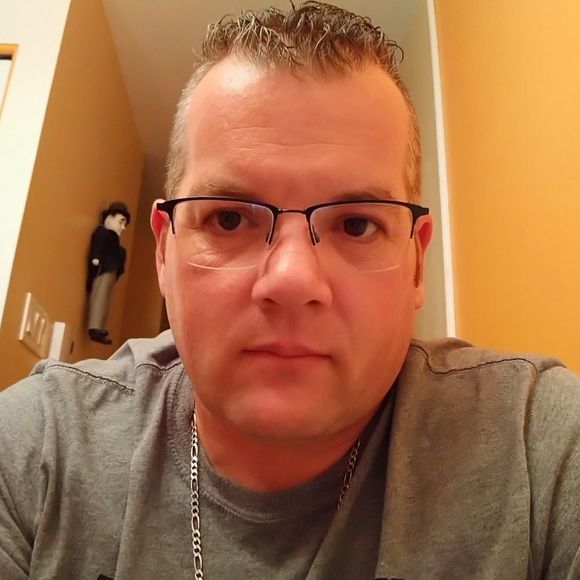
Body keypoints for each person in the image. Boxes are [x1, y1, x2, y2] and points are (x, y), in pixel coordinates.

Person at [0, 2, 578, 579]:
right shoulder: (38, 450)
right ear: (162, 251)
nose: (292, 279)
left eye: (357, 224)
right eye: (229, 218)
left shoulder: (538, 448)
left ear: (417, 264)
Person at [86, 201, 131, 344]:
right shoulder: (103, 233)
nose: (123, 227)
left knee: (106, 300)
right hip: (104, 268)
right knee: (100, 296)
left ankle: (100, 326)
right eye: (121, 221)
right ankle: (94, 326)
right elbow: (98, 246)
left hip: (111, 269)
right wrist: (96, 258)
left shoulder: (115, 240)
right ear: (110, 217)